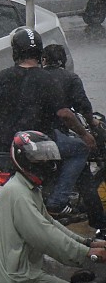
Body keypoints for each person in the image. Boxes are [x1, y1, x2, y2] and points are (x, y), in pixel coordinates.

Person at [0, 130, 106, 283]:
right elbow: (45, 236)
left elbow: (49, 223)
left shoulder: (28, 189)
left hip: (24, 276)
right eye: (38, 158)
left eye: (46, 157)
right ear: (23, 159)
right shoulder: (18, 194)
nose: (46, 163)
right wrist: (85, 254)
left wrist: (88, 243)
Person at [0, 27, 96, 220]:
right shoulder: (47, 79)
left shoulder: (2, 77)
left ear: (15, 52)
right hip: (36, 147)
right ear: (39, 52)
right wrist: (85, 135)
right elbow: (64, 113)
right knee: (80, 149)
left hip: (4, 148)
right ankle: (58, 201)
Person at [42, 44, 106, 231]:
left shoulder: (36, 77)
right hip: (54, 134)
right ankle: (63, 202)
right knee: (82, 152)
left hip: (25, 136)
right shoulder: (69, 78)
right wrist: (89, 127)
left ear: (44, 60)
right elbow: (81, 107)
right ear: (64, 61)